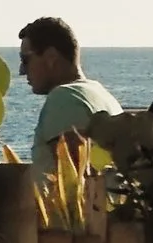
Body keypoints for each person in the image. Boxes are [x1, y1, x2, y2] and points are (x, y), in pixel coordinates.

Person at [18, 17, 124, 157]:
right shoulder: (99, 93)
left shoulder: (64, 97)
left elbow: (71, 172)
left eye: (25, 60)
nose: (21, 70)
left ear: (51, 57)